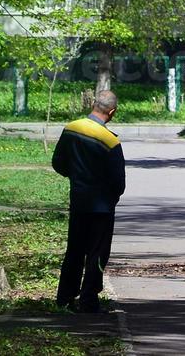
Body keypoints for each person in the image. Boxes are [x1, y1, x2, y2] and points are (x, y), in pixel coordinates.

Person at [51, 89, 125, 313]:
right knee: (97, 254)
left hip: (79, 201)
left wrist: (75, 177)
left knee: (74, 250)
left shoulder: (71, 129)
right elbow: (118, 182)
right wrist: (111, 197)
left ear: (94, 105)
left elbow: (58, 163)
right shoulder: (110, 141)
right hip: (101, 207)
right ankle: (89, 300)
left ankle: (65, 297)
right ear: (111, 112)